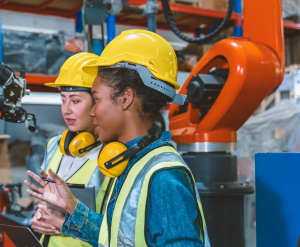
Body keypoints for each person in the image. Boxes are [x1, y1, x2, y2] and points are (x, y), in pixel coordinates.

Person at [25, 29, 210, 247]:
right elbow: (116, 239)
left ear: (125, 98)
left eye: (96, 99)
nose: (92, 112)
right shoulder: (130, 162)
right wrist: (73, 208)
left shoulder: (163, 176)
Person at [31, 52, 110, 247]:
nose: (66, 109)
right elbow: (46, 201)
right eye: (63, 99)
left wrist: (65, 223)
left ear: (97, 103)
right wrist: (39, 216)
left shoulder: (114, 154)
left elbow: (120, 230)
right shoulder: (55, 145)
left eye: (75, 101)